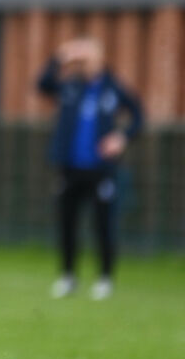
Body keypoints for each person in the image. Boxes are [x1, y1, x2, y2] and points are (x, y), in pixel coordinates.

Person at [37, 36, 143, 301]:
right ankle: (68, 276)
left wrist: (121, 137)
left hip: (101, 170)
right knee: (67, 224)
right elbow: (43, 85)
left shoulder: (112, 87)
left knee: (103, 225)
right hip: (70, 169)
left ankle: (105, 278)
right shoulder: (71, 86)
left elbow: (138, 115)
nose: (84, 62)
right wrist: (60, 56)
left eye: (88, 56)